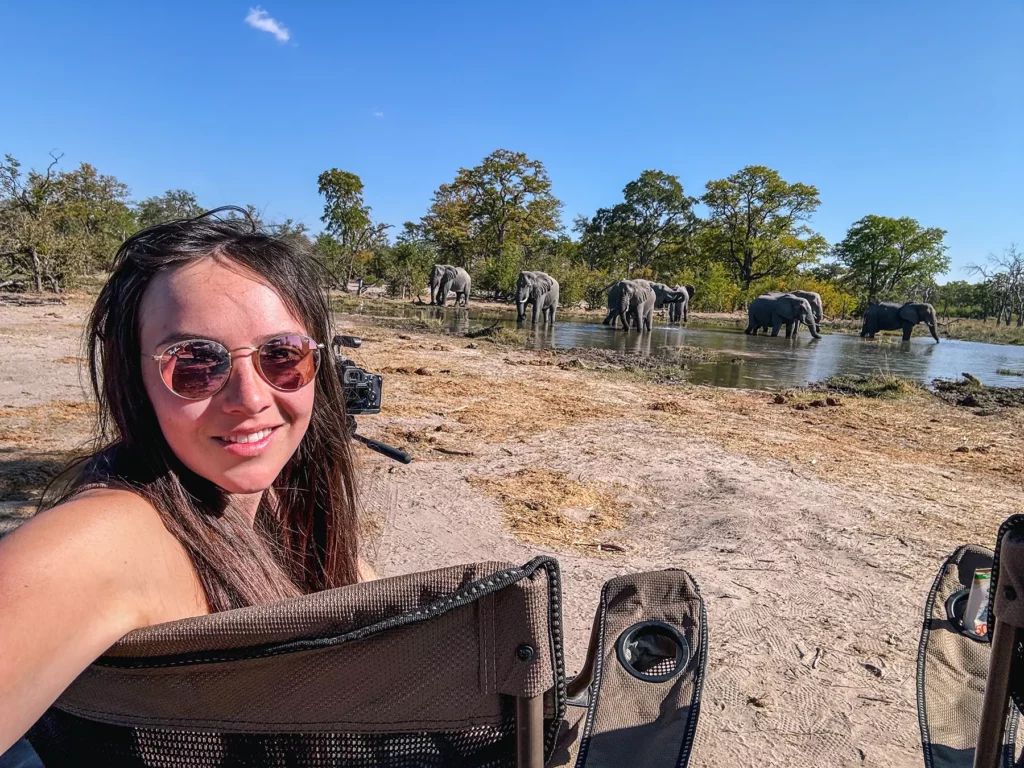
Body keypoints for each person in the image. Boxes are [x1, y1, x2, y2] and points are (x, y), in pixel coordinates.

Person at [0, 210, 373, 755]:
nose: (249, 398)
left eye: (282, 356)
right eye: (195, 362)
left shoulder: (280, 510)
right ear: (135, 377)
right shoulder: (106, 538)